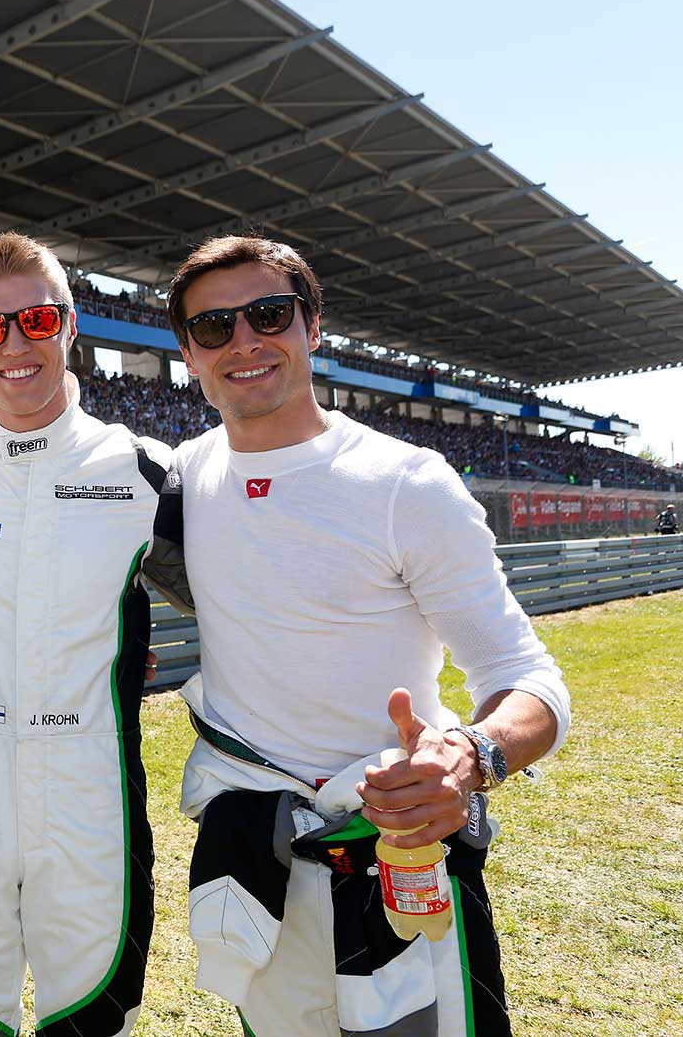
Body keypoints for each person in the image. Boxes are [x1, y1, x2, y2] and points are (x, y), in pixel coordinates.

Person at [164, 235, 570, 1037]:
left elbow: (528, 675)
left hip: (399, 856)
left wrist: (472, 757)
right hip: (256, 865)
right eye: (214, 327)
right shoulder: (176, 480)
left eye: (269, 315)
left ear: (313, 327)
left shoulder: (405, 482)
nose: (244, 341)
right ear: (188, 353)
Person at [0, 232, 191, 1037]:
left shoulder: (146, 471)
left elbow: (235, 606)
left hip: (90, 799)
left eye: (35, 320)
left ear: (69, 324)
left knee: (93, 1022)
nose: (14, 346)